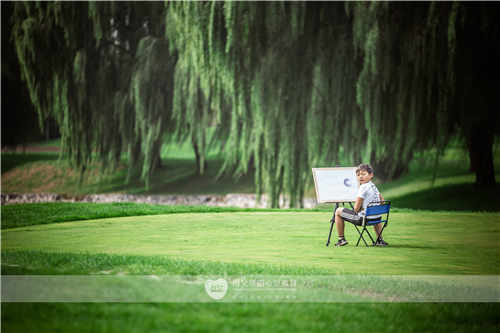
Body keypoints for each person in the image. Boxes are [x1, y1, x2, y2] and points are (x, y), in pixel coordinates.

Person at [334, 163, 388, 246]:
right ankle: (379, 240)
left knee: (338, 211)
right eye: (358, 175)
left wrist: (360, 208)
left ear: (371, 175)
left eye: (363, 174)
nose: (360, 176)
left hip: (363, 220)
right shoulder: (373, 186)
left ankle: (341, 239)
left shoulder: (363, 188)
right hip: (377, 219)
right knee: (374, 213)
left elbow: (355, 209)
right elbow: (382, 202)